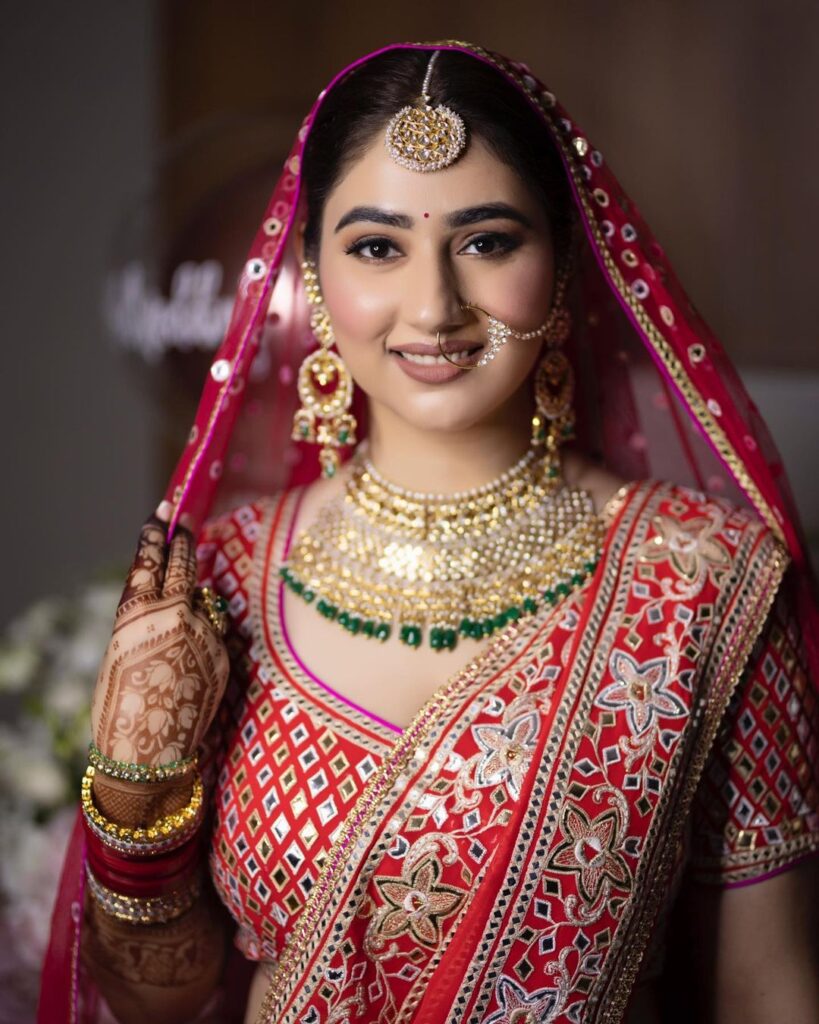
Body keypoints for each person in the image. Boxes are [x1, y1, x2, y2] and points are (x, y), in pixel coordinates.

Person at [39, 41, 819, 1024]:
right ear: (314, 274)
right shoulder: (225, 579)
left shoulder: (708, 584)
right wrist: (135, 799)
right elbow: (165, 999)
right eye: (377, 246)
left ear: (566, 260)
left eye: (487, 240)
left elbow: (766, 991)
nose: (435, 305)